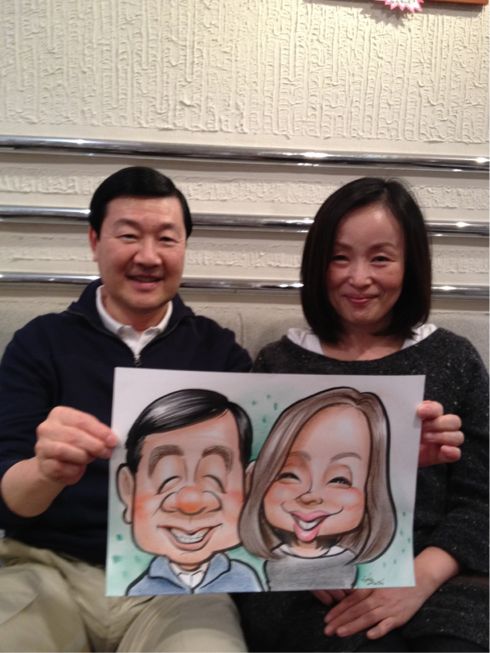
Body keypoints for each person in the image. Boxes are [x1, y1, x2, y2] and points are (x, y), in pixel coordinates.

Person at [0, 166, 253, 652]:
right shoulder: (39, 344)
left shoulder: (221, 355)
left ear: (184, 248)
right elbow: (8, 496)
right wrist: (45, 470)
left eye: (167, 239)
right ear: (94, 241)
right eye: (129, 235)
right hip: (47, 566)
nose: (148, 256)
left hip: (180, 579)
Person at [233, 177, 488, 652]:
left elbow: (482, 499)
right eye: (339, 257)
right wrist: (305, 560)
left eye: (381, 258)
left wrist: (420, 577)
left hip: (440, 581)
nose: (358, 277)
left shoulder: (453, 360)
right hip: (313, 587)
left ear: (410, 265)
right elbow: (249, 491)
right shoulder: (278, 364)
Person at [239, 387, 396, 591]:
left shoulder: (349, 563)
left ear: (372, 494)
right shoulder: (252, 569)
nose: (310, 496)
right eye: (290, 475)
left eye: (340, 480)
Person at [117, 388, 263, 595]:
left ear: (249, 486)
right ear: (128, 490)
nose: (191, 501)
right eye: (167, 477)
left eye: (215, 476)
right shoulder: (139, 591)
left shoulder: (245, 579)